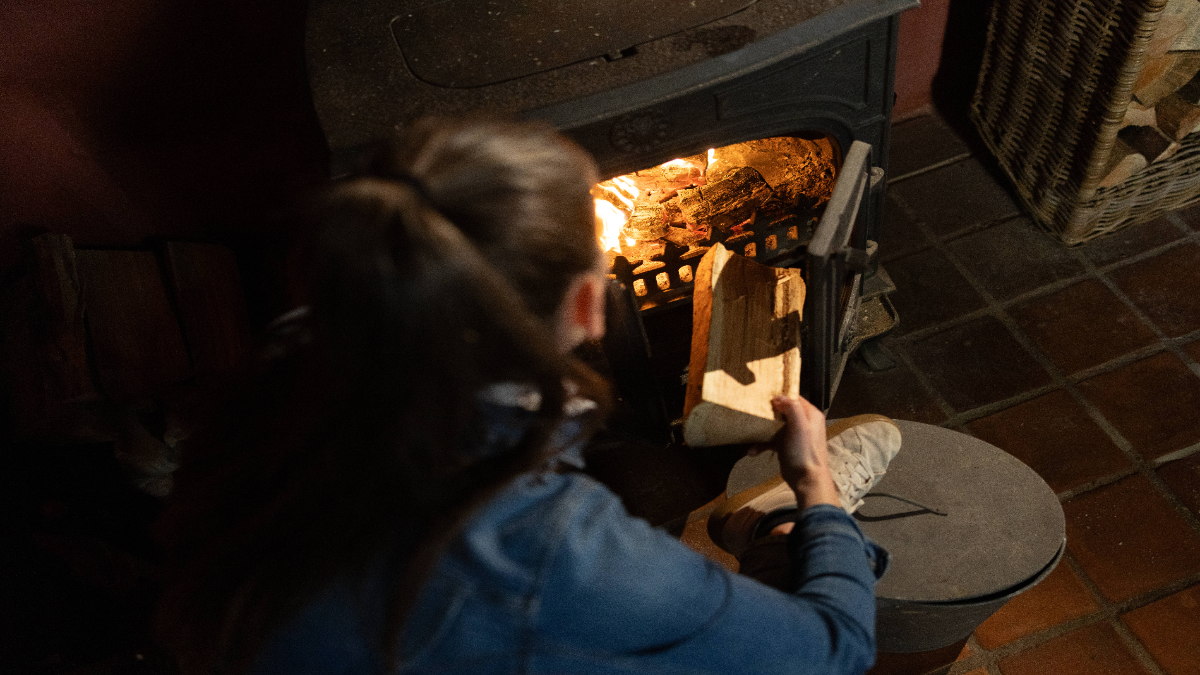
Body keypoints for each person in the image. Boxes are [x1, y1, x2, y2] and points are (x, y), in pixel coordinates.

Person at [154, 118, 888, 675]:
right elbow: (834, 651)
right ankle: (791, 527)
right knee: (796, 571)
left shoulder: (289, 356)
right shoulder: (545, 544)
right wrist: (817, 487)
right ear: (585, 309)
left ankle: (757, 535)